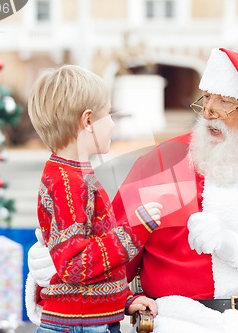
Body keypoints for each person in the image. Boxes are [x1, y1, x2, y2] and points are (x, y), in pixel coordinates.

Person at [29, 49, 238, 332]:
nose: (209, 111)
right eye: (206, 98)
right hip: (187, 323)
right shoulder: (165, 162)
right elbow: (111, 247)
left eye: (224, 102)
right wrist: (90, 283)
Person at [25, 65, 162, 333]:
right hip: (79, 326)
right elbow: (76, 265)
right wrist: (135, 229)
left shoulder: (76, 175)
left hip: (91, 320)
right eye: (108, 114)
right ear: (88, 121)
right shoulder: (67, 183)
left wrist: (124, 300)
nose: (112, 122)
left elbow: (91, 270)